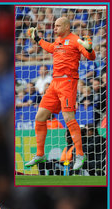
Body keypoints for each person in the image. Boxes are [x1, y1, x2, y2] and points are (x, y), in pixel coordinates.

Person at [25, 17, 96, 172]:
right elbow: (50, 47)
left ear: (66, 26)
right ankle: (40, 154)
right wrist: (37, 38)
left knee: (69, 118)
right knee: (39, 118)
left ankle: (79, 154)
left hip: (68, 83)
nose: (54, 28)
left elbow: (91, 56)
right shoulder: (57, 40)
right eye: (55, 26)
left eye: (57, 26)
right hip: (54, 84)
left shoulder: (76, 40)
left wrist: (89, 49)